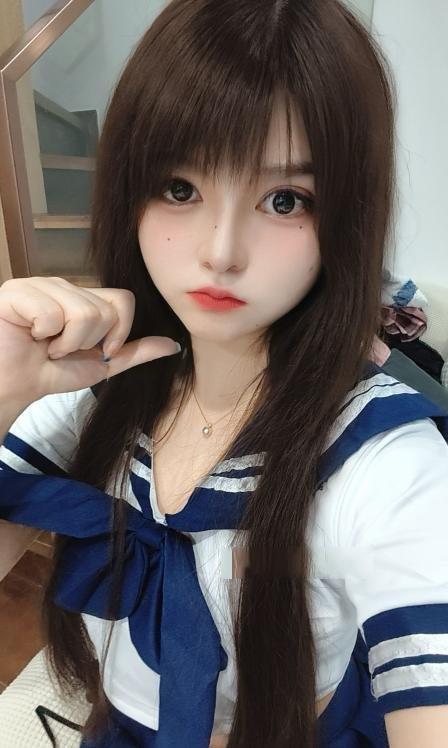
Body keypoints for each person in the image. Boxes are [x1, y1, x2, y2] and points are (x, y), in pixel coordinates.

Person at [0, 1, 447, 746]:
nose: (221, 251)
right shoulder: (96, 390)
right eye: (180, 188)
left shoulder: (386, 462)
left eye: (284, 200)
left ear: (347, 215)